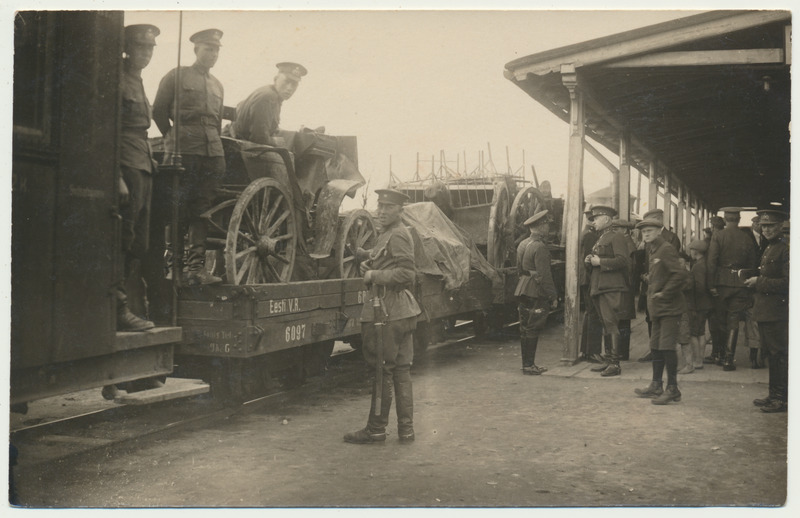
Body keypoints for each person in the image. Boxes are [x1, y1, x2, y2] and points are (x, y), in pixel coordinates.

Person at [344, 189, 421, 444]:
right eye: (380, 205)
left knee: (382, 371)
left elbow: (407, 274)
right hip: (400, 310)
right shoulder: (387, 234)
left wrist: (373, 276)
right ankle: (406, 430)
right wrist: (371, 265)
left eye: (389, 207)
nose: (382, 210)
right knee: (400, 371)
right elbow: (388, 263)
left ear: (400, 210)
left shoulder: (398, 234)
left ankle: (376, 429)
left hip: (387, 312)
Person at [152, 28, 226, 286]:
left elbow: (216, 123)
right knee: (177, 208)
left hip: (212, 153)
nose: (213, 54)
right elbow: (159, 111)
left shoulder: (217, 85)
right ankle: (175, 269)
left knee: (202, 209)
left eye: (216, 49)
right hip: (183, 150)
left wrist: (213, 145)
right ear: (196, 49)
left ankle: (196, 269)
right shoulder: (177, 76)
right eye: (208, 48)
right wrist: (172, 137)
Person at [116, 24, 160, 332]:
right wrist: (114, 175)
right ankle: (117, 306)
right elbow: (108, 130)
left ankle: (126, 305)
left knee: (139, 242)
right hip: (125, 162)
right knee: (124, 236)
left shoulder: (138, 80)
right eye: (140, 47)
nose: (145, 53)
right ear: (127, 48)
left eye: (150, 49)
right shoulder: (117, 80)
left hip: (142, 161)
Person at [634, 217, 688, 404]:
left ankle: (672, 388)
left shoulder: (666, 249)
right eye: (644, 231)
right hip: (657, 308)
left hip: (669, 308)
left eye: (650, 231)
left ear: (659, 231)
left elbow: (680, 275)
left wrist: (664, 292)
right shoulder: (653, 249)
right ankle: (656, 385)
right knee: (656, 346)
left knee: (666, 347)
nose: (646, 234)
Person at [745, 209, 789, 413]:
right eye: (763, 226)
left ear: (781, 226)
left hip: (778, 311)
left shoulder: (786, 248)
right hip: (767, 310)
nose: (766, 229)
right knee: (772, 354)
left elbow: (789, 282)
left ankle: (780, 398)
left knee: (778, 354)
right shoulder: (771, 247)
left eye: (771, 225)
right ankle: (774, 394)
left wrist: (758, 282)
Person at [706, 207, 758, 371]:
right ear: (739, 218)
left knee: (721, 319)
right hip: (741, 283)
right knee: (734, 320)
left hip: (722, 283)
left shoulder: (718, 235)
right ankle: (729, 359)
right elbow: (752, 264)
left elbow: (712, 261)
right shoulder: (747, 237)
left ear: (726, 219)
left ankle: (720, 354)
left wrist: (711, 284)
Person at [584, 205, 630, 377]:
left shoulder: (616, 237)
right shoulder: (601, 237)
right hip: (600, 286)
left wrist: (600, 262)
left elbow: (622, 261)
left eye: (596, 218)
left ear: (606, 219)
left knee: (611, 323)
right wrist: (590, 261)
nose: (593, 222)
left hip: (610, 286)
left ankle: (615, 364)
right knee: (606, 323)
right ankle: (609, 360)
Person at [514, 210, 558, 375]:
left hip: (523, 287)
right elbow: (544, 276)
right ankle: (529, 366)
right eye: (546, 224)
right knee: (533, 327)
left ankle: (526, 364)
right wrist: (553, 296)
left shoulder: (523, 244)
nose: (548, 228)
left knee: (525, 327)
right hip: (535, 291)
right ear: (540, 226)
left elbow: (519, 269)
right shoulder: (540, 247)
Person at [229, 62, 308, 146]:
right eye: (286, 81)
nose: (289, 88)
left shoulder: (272, 95)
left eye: (294, 84)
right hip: (239, 146)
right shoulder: (267, 97)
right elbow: (258, 137)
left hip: (241, 142)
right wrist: (275, 142)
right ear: (276, 79)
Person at [579, 207, 604, 363]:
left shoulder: (587, 234)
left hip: (586, 279)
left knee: (590, 314)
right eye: (594, 219)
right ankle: (593, 352)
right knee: (594, 314)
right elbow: (589, 260)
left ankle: (587, 351)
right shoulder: (590, 236)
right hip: (589, 279)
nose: (596, 221)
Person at [685, 239, 713, 371]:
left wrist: (694, 305)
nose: (690, 252)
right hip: (705, 303)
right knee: (701, 332)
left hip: (697, 304)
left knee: (694, 333)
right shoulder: (705, 263)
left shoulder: (697, 266)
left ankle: (697, 360)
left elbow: (700, 287)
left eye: (691, 250)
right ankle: (700, 359)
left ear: (696, 251)